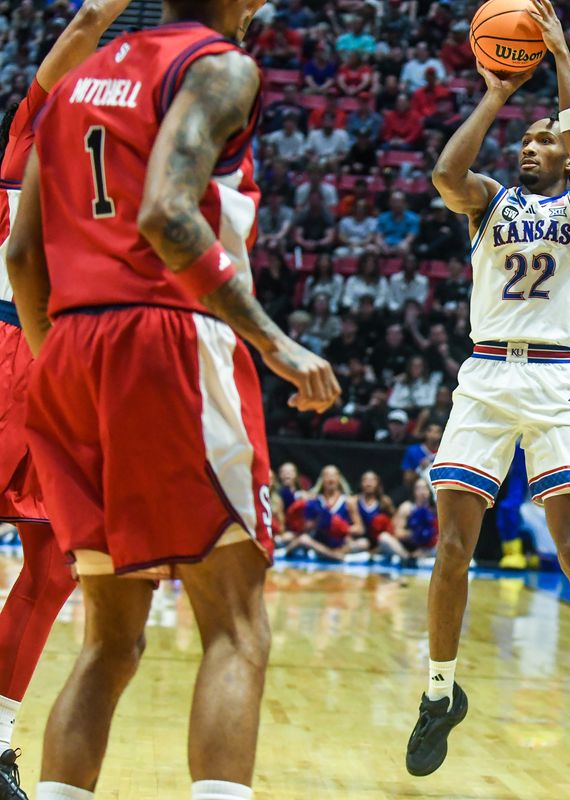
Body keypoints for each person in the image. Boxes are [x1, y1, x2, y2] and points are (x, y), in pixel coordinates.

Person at [5, 4, 340, 800]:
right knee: (235, 624)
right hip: (168, 339)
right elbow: (166, 211)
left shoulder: (76, 81)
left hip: (67, 349)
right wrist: (273, 342)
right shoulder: (218, 66)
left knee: (108, 642)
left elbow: (20, 256)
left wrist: (64, 364)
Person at [407, 1, 570, 786]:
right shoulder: (491, 200)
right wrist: (497, 92)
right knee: (452, 547)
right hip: (485, 376)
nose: (530, 148)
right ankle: (440, 693)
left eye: (544, 140)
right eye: (525, 141)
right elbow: (444, 175)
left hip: (555, 378)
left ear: (566, 152)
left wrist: (560, 56)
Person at [0, 1, 134, 793]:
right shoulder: (32, 130)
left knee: (55, 565)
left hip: (60, 362)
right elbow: (86, 20)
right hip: (8, 342)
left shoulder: (119, 166)